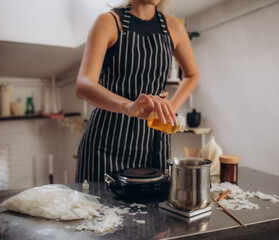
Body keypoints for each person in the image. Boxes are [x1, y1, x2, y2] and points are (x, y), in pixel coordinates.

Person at [75, 0, 199, 182]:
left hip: (153, 141)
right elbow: (83, 84)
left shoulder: (174, 27)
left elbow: (192, 75)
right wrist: (128, 106)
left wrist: (169, 109)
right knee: (97, 208)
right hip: (106, 140)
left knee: (152, 207)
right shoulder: (108, 22)